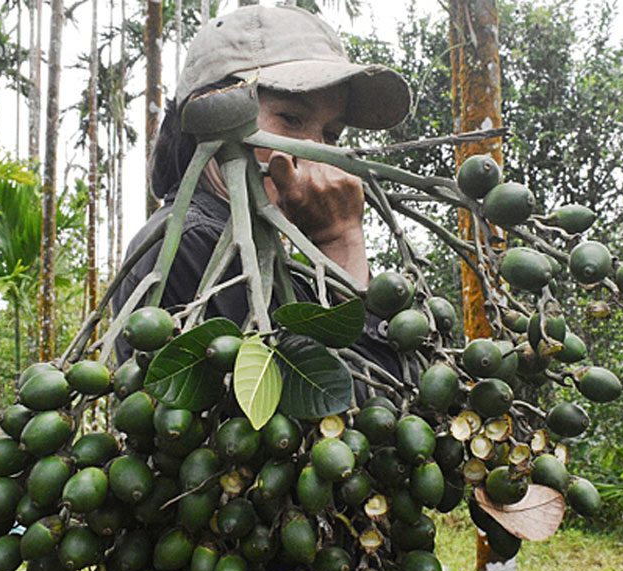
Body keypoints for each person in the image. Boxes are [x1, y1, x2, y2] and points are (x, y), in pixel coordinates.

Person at [114, 4, 411, 381]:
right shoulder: (194, 244)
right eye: (290, 119)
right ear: (211, 117)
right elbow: (355, 409)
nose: (316, 151)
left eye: (331, 135)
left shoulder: (267, 259)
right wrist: (341, 241)